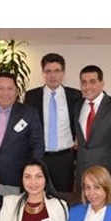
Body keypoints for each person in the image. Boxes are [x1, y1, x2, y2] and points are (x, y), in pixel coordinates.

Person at [24, 53, 82, 191]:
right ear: (43, 73)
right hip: (39, 156)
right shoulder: (31, 96)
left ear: (63, 73)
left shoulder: (75, 96)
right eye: (48, 71)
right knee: (38, 194)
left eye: (57, 71)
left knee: (64, 196)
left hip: (65, 158)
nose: (53, 75)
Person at [75, 65, 111, 196]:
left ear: (102, 83)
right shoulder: (78, 106)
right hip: (83, 177)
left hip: (108, 176)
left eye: (92, 82)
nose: (88, 86)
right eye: (84, 82)